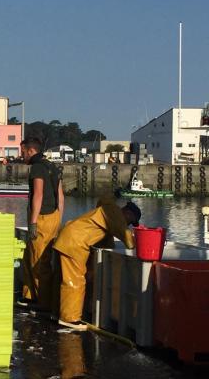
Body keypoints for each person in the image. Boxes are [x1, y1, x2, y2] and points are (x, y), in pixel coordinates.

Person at [53, 198, 141, 330]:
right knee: (75, 281)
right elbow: (128, 240)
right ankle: (70, 318)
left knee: (61, 279)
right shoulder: (116, 216)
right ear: (128, 214)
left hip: (68, 237)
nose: (128, 224)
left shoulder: (108, 211)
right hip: (75, 243)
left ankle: (56, 311)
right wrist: (139, 247)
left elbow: (101, 200)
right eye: (131, 222)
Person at [19, 137, 64, 313]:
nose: (21, 155)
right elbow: (60, 196)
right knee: (31, 256)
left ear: (31, 151)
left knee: (39, 261)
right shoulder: (52, 166)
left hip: (42, 218)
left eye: (23, 152)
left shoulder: (37, 168)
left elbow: (37, 195)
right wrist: (59, 219)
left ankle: (42, 301)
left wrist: (33, 223)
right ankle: (30, 295)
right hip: (53, 217)